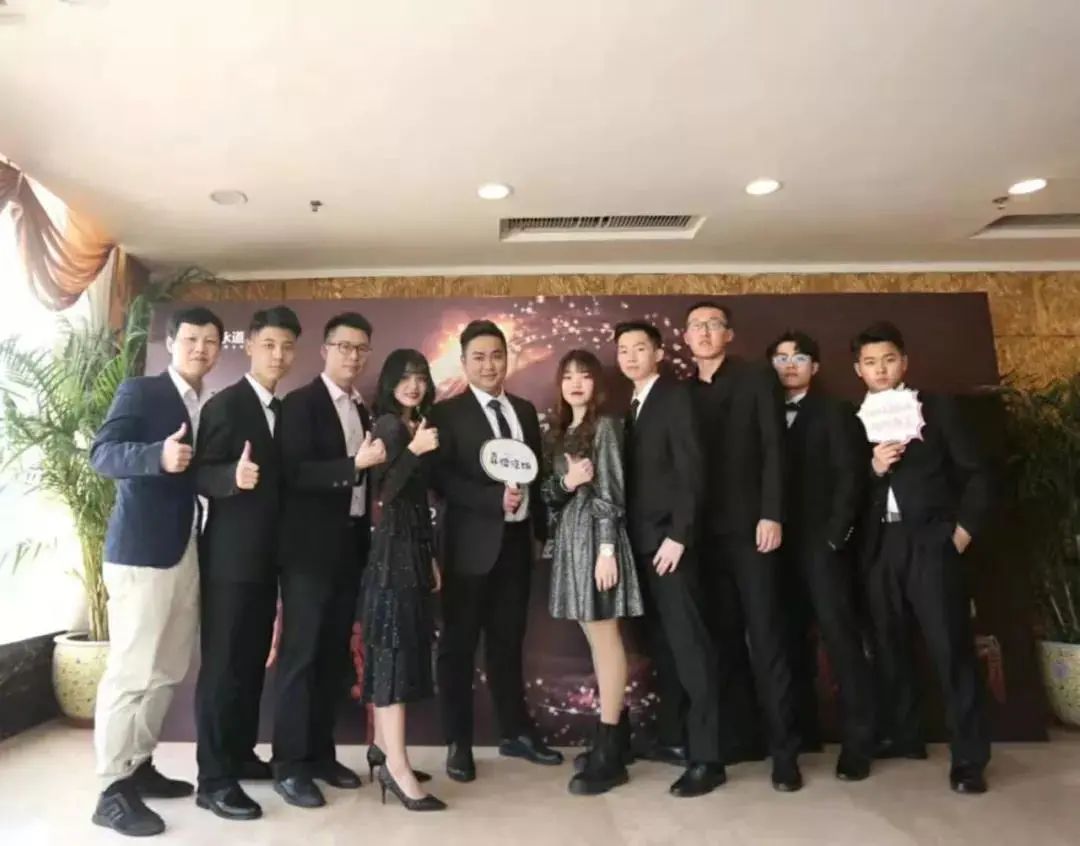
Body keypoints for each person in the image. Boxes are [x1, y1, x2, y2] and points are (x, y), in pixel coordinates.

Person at [89, 306, 223, 837]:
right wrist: (155, 456)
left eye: (210, 341)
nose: (201, 348)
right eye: (191, 339)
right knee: (132, 670)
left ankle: (137, 764)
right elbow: (102, 454)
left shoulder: (207, 403)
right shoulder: (142, 392)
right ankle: (110, 788)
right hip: (140, 553)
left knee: (167, 667)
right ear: (171, 343)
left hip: (185, 549)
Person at [851, 321, 992, 794]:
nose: (881, 370)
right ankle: (906, 735)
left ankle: (969, 758)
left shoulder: (937, 408)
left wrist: (962, 534)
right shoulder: (853, 418)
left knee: (950, 648)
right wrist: (873, 468)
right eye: (871, 363)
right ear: (858, 370)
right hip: (879, 545)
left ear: (905, 362)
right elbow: (843, 490)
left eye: (889, 360)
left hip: (932, 540)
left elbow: (977, 474)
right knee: (888, 646)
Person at [429, 319, 562, 783]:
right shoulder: (446, 413)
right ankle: (458, 743)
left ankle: (516, 733)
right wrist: (490, 499)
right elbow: (439, 479)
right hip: (468, 548)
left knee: (508, 643)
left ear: (508, 358)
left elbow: (536, 475)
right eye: (479, 357)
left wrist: (542, 532)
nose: (489, 365)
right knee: (459, 648)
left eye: (496, 355)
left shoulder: (523, 411)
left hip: (516, 545)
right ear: (464, 363)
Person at [683, 301, 802, 791]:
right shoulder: (682, 392)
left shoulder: (755, 378)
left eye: (713, 325)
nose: (705, 332)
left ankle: (785, 755)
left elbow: (775, 448)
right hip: (701, 538)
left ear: (728, 334)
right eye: (696, 326)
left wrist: (772, 513)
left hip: (754, 531)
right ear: (686, 338)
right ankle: (739, 740)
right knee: (721, 643)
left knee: (768, 639)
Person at [271, 312, 387, 808]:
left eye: (361, 348)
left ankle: (320, 754)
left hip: (349, 547)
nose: (353, 356)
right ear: (324, 350)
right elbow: (294, 473)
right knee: (300, 657)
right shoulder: (301, 403)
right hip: (308, 551)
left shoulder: (362, 408)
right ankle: (289, 765)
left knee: (333, 656)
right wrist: (352, 465)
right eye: (344, 347)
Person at [193, 306, 300, 820]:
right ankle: (213, 780)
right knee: (222, 668)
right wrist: (231, 479)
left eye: (287, 347)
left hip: (269, 560)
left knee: (252, 662)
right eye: (269, 344)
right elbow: (199, 473)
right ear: (250, 346)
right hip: (229, 560)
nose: (278, 355)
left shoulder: (287, 409)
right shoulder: (227, 404)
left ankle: (238, 753)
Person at [615, 320, 725, 798]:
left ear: (658, 353)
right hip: (642, 546)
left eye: (640, 348)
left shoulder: (675, 397)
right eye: (623, 350)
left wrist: (680, 536)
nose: (631, 356)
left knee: (691, 648)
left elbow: (692, 470)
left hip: (671, 546)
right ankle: (675, 738)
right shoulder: (633, 405)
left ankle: (708, 758)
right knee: (662, 647)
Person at [767, 329, 876, 781]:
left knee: (842, 643)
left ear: (815, 366)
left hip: (824, 548)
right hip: (773, 551)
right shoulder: (762, 412)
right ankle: (799, 737)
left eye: (799, 358)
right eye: (781, 358)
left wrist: (835, 538)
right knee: (786, 646)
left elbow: (852, 477)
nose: (789, 365)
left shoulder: (835, 411)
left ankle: (858, 743)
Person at [541, 349, 644, 796]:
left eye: (584, 376)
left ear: (596, 384)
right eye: (568, 377)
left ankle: (609, 745)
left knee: (605, 639)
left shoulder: (607, 427)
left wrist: (606, 551)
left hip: (597, 542)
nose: (575, 383)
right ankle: (616, 737)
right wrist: (567, 483)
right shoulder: (559, 432)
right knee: (593, 638)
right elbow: (548, 494)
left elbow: (612, 494)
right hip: (570, 542)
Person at [360, 349, 446, 812]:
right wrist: (414, 451)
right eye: (405, 377)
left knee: (400, 651)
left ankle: (382, 748)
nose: (414, 385)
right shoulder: (390, 426)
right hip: (391, 555)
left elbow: (417, 502)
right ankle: (397, 767)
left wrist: (428, 557)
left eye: (421, 377)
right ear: (390, 381)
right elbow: (385, 493)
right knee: (392, 653)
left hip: (412, 550)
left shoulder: (415, 424)